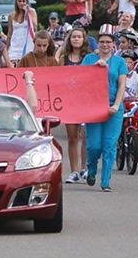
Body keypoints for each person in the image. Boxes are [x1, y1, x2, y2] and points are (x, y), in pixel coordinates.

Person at [81, 24, 127, 192]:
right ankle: (91, 169)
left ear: (113, 44)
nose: (105, 45)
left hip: (113, 107)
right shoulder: (88, 60)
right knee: (94, 146)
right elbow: (81, 82)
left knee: (109, 144)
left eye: (108, 42)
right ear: (97, 43)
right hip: (93, 108)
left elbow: (122, 84)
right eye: (102, 41)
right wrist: (95, 68)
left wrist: (116, 104)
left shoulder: (120, 62)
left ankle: (105, 181)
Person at [56, 28, 91, 184]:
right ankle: (74, 171)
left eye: (79, 37)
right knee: (72, 137)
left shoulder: (89, 57)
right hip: (70, 102)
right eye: (73, 37)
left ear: (84, 39)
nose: (76, 39)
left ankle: (84, 168)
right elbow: (57, 73)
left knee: (85, 136)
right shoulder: (64, 58)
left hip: (85, 101)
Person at [7, 0, 37, 65]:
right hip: (15, 44)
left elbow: (35, 27)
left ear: (26, 2)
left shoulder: (31, 12)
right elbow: (10, 32)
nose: (21, 3)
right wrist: (7, 47)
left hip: (27, 43)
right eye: (19, 1)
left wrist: (28, 14)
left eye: (23, 1)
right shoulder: (11, 15)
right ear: (16, 2)